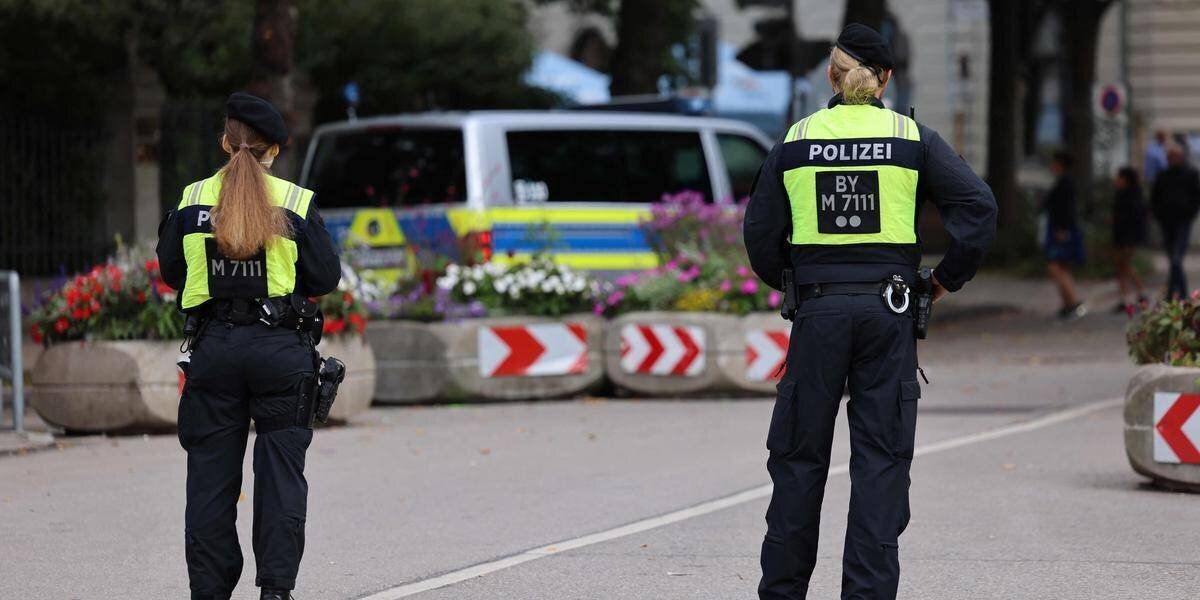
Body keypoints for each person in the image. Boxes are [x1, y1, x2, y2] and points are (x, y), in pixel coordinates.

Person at [743, 23, 996, 600]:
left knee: (799, 461)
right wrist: (942, 283)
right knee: (880, 463)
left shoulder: (797, 140)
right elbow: (979, 209)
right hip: (890, 314)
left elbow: (758, 234)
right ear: (886, 79)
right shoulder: (912, 139)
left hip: (818, 315)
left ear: (830, 76)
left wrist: (796, 283)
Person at [156, 92, 341, 600]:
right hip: (281, 352)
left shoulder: (192, 198)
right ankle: (275, 592)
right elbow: (325, 276)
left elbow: (172, 271)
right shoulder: (295, 202)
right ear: (274, 150)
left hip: (213, 351)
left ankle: (209, 592)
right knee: (281, 476)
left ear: (224, 141)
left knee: (210, 480)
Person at [1150, 144, 1200, 300]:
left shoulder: (1191, 174)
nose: (1173, 159)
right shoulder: (1163, 175)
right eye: (1170, 156)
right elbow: (1155, 197)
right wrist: (1158, 214)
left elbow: (1196, 197)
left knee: (1176, 258)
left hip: (1183, 221)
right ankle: (1179, 292)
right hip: (1166, 221)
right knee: (1172, 257)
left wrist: (1190, 213)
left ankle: (1173, 293)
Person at [1044, 152, 1086, 320]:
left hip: (1061, 230)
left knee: (1055, 266)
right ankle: (1067, 303)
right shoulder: (1063, 182)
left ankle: (1073, 302)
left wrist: (1062, 229)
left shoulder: (1065, 184)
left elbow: (1066, 209)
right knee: (1062, 267)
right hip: (1062, 228)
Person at [1109, 166, 1148, 313]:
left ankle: (1138, 292)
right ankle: (1126, 297)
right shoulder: (1122, 194)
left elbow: (1134, 218)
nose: (1116, 180)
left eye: (1118, 177)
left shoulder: (1133, 196)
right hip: (1121, 235)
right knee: (1121, 267)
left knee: (1124, 265)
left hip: (1128, 236)